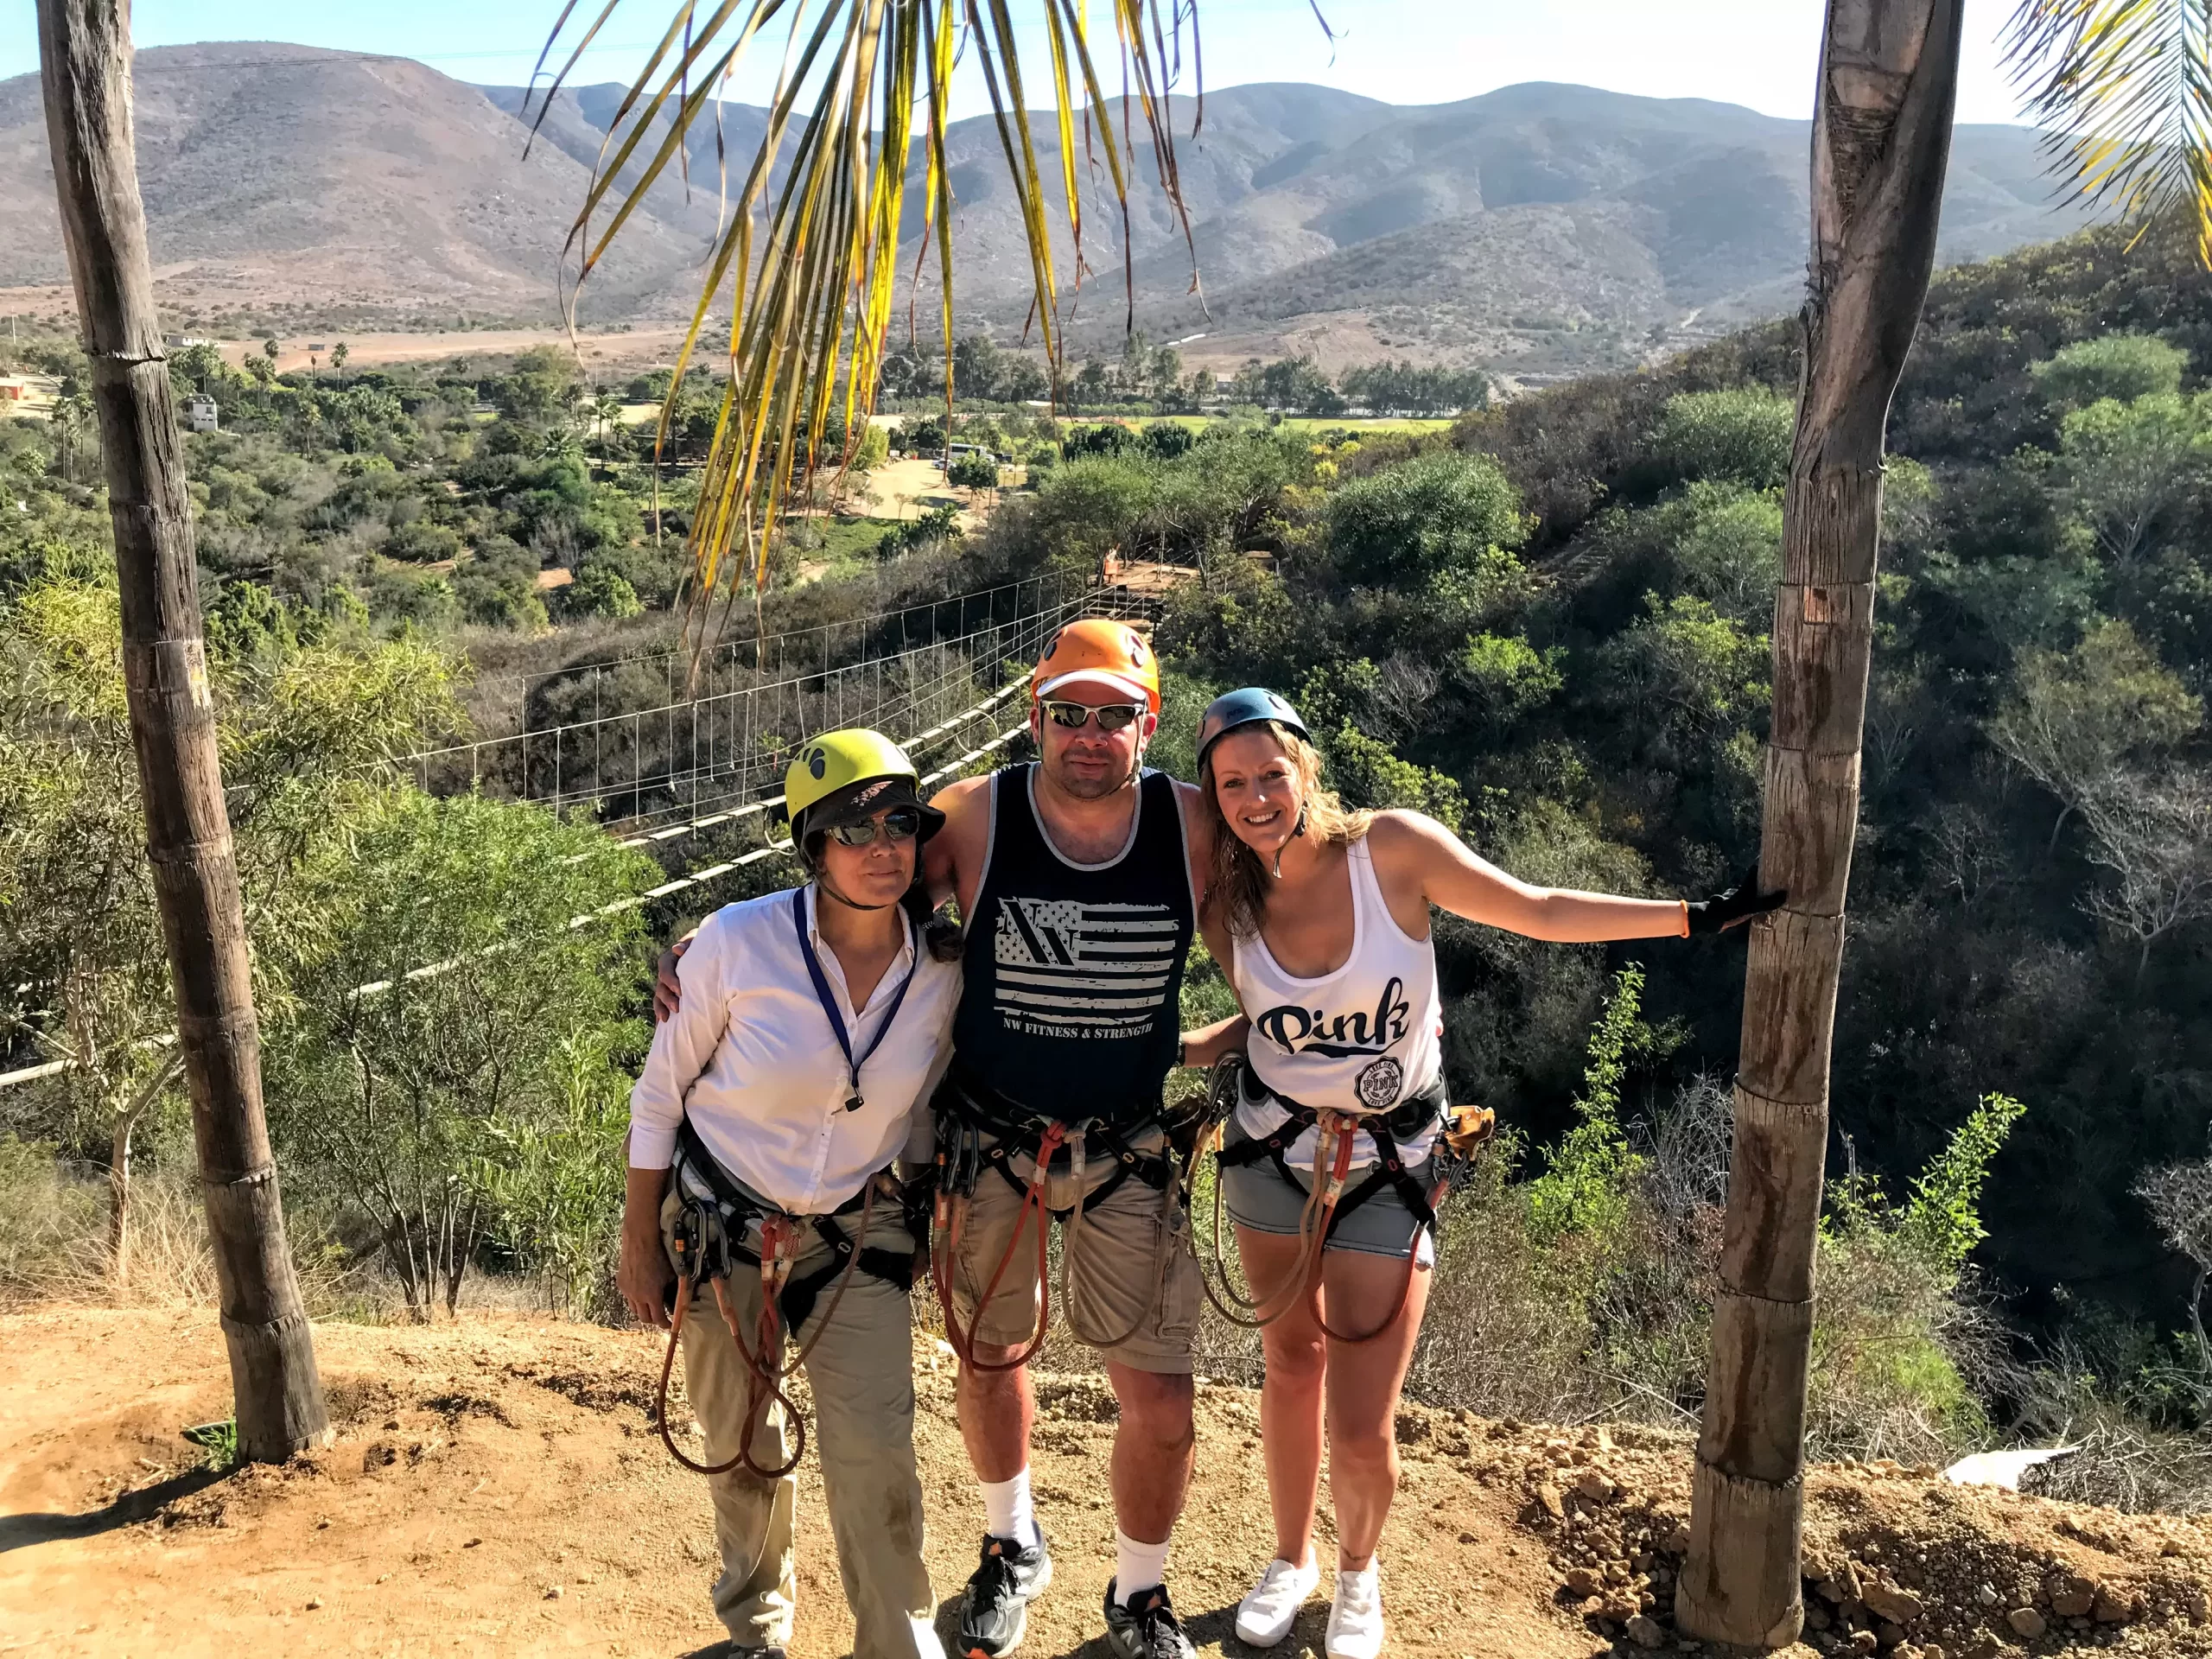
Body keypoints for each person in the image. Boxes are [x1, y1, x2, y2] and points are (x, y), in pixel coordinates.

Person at [1177, 689, 1781, 1659]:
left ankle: (1358, 1574)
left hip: (1388, 1162)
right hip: (1268, 1154)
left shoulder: (1391, 854)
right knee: (1289, 1370)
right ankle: (1289, 1560)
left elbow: (1535, 910)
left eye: (1269, 775)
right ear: (1211, 795)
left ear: (1306, 769)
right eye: (1231, 783)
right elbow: (1267, 1018)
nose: (1254, 798)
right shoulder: (1224, 894)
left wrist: (1696, 917)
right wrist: (1172, 1047)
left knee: (1365, 1419)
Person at [656, 619, 1216, 1659]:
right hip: (988, 1138)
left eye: (1114, 715)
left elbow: (1294, 896)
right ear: (1034, 716)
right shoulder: (974, 814)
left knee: (1158, 1390)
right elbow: (850, 878)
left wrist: (1345, 1044)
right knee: (987, 1353)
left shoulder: (1194, 828)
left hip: (1127, 1139)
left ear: (1150, 722)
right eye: (1067, 713)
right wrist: (708, 940)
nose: (1088, 734)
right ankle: (1011, 1545)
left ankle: (1139, 1596)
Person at [622, 729, 963, 1659]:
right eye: (857, 829)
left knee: (877, 1450)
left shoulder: (941, 966)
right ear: (813, 846)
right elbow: (659, 1099)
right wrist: (638, 1243)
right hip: (721, 1225)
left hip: (853, 1234)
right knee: (739, 1443)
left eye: (902, 824)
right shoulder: (737, 944)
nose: (885, 846)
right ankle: (756, 1628)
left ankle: (897, 1643)